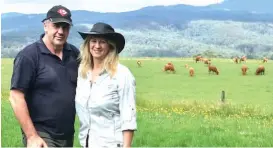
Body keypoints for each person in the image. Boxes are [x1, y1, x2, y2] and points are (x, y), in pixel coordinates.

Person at [9, 5, 79, 147]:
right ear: (45, 25)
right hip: (41, 135)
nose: (60, 31)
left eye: (65, 27)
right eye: (56, 26)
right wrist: (32, 136)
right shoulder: (29, 56)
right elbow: (16, 96)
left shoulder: (75, 54)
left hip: (67, 135)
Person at [75, 22, 137, 148]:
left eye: (102, 41)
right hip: (86, 143)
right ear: (88, 44)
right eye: (93, 41)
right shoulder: (82, 72)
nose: (97, 46)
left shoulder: (122, 74)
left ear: (110, 46)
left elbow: (128, 116)